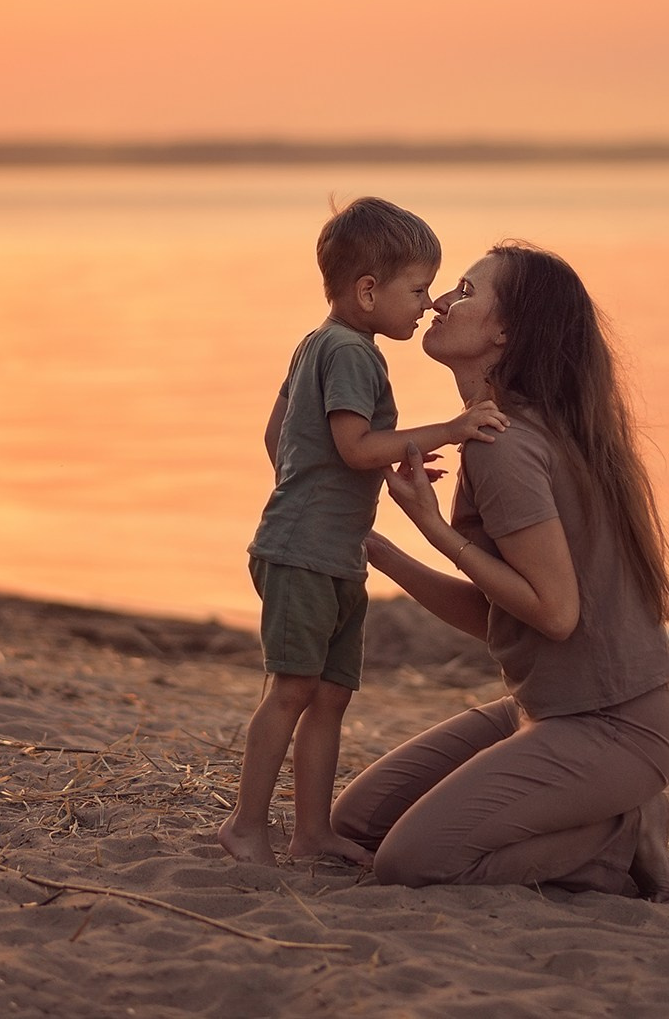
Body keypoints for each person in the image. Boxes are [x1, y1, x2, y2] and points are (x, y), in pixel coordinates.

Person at [332, 242, 669, 899]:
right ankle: (601, 815)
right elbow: (506, 612)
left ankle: (621, 832)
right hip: (543, 710)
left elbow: (555, 613)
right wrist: (377, 549)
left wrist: (435, 529)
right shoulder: (513, 432)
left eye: (466, 291)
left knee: (408, 863)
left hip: (615, 725)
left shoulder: (506, 448)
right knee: (356, 823)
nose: (440, 300)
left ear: (506, 331)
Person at [219, 198, 511, 866]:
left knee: (331, 694)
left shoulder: (319, 343)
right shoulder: (352, 353)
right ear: (369, 290)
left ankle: (312, 833)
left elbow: (281, 434)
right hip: (303, 552)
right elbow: (353, 445)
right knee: (292, 690)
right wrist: (448, 429)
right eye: (419, 290)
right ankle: (245, 825)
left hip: (330, 550)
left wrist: (345, 477)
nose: (428, 304)